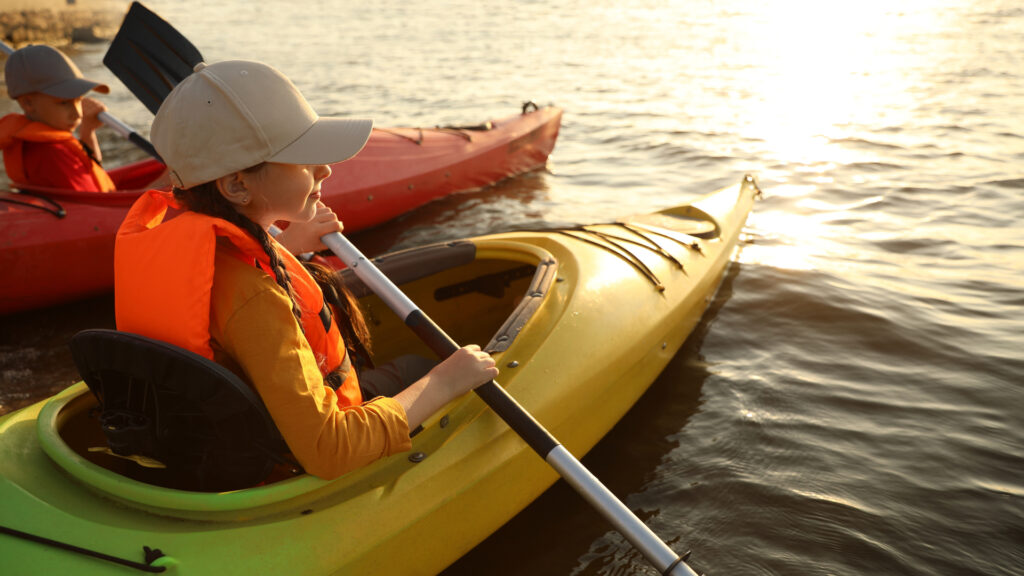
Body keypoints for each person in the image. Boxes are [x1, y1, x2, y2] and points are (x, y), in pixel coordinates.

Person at [114, 59, 498, 480]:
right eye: (303, 158)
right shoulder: (257, 300)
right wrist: (445, 381)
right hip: (289, 455)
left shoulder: (205, 246)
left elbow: (233, 287)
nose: (326, 169)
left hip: (235, 426)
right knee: (426, 371)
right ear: (237, 186)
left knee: (408, 366)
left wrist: (285, 246)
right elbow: (329, 450)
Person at [0, 44, 116, 192]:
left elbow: (92, 171)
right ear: (28, 103)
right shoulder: (52, 154)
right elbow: (98, 203)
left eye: (79, 100)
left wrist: (87, 132)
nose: (78, 113)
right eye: (64, 103)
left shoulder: (44, 142)